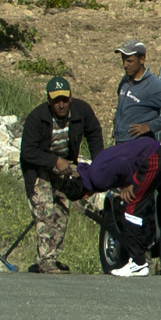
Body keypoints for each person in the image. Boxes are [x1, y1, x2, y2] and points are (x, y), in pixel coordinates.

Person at [62, 136, 161, 277]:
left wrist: (128, 183)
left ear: (83, 196)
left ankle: (138, 263)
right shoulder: (93, 168)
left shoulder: (96, 178)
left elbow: (122, 164)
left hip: (155, 157)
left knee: (131, 210)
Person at [18, 76, 104, 274]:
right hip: (39, 168)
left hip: (64, 170)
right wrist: (54, 161)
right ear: (49, 100)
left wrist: (99, 163)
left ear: (71, 98)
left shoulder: (82, 111)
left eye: (65, 99)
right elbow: (27, 152)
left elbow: (94, 133)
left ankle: (52, 257)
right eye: (56, 100)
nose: (61, 104)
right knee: (45, 212)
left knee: (62, 213)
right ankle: (45, 261)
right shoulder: (36, 118)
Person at [112, 39, 161, 143]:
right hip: (120, 143)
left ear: (142, 59)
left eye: (129, 61)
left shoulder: (152, 85)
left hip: (138, 144)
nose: (125, 65)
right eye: (123, 60)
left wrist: (149, 126)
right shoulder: (124, 81)